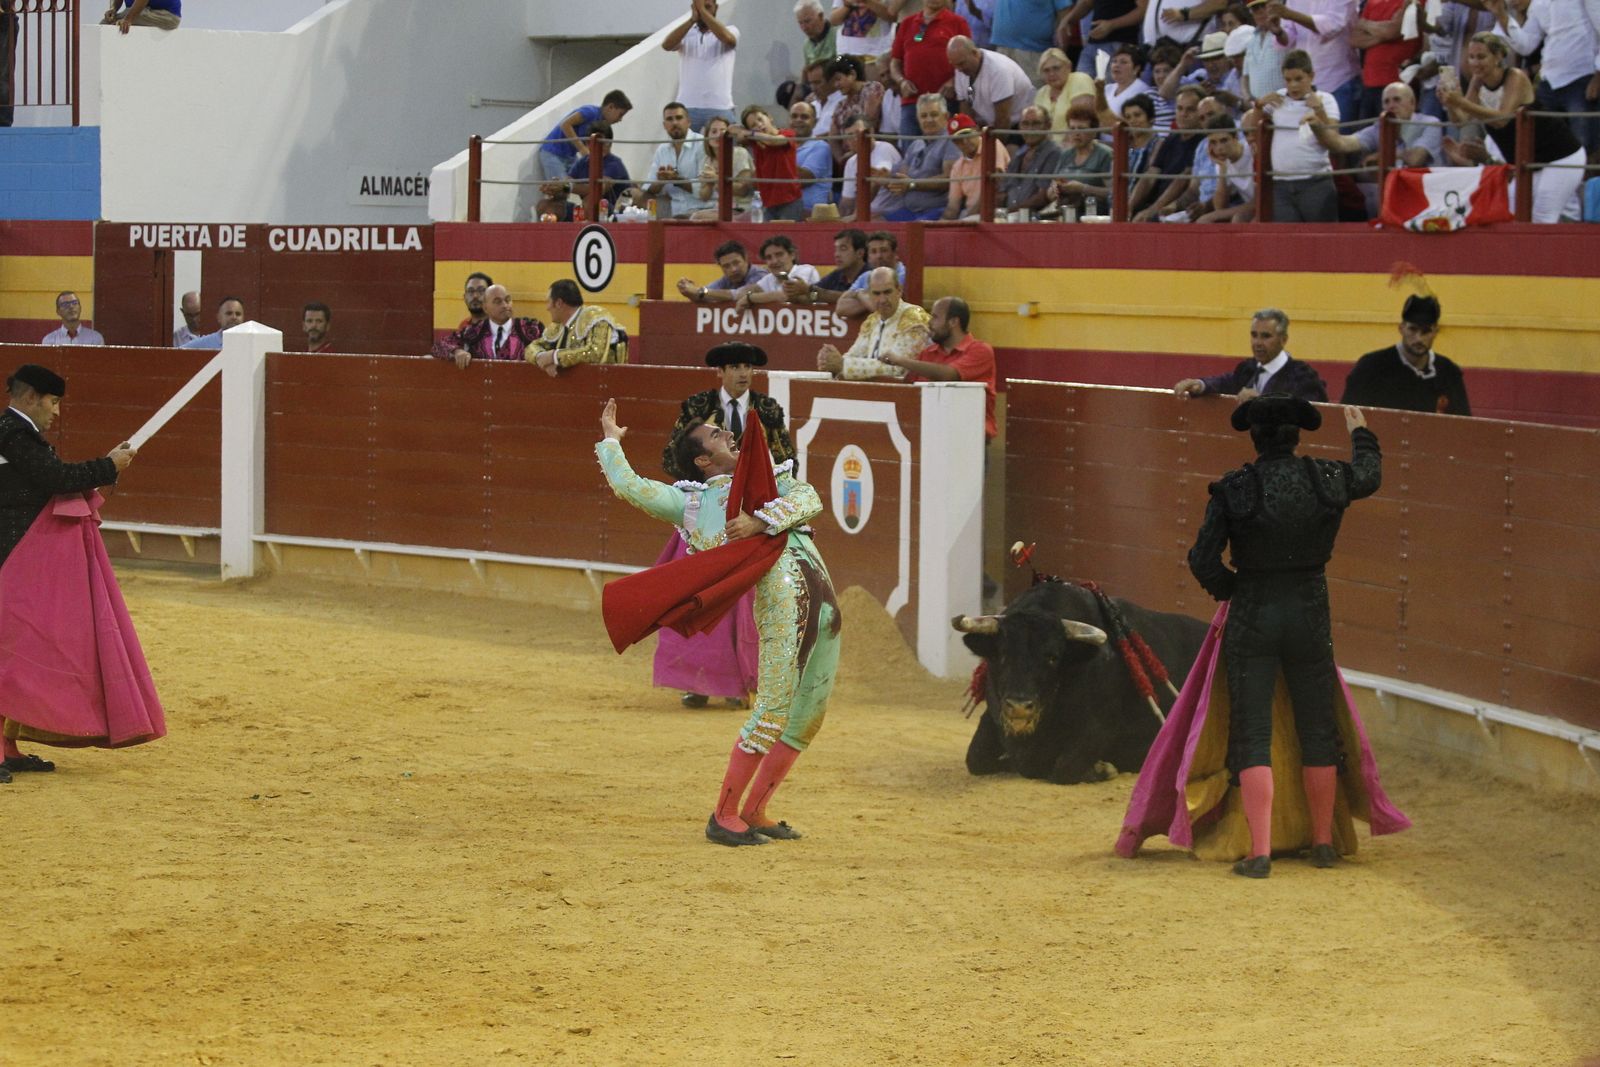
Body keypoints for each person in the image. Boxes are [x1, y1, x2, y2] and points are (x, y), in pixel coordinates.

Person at [596, 398, 840, 846]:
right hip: (783, 604)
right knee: (770, 712)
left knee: (808, 716)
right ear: (703, 460)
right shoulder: (695, 503)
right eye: (713, 434)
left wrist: (760, 521)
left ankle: (756, 809)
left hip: (826, 607)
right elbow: (630, 487)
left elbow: (810, 498)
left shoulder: (771, 478)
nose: (727, 432)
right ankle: (724, 815)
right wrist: (611, 441)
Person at [1187, 396, 1384, 876]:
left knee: (1252, 731)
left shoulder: (1236, 488)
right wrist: (1361, 433)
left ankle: (1258, 852)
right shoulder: (1326, 478)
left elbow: (1202, 559)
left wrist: (1233, 590)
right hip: (1309, 610)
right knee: (1317, 726)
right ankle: (1321, 844)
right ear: (1298, 436)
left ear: (1253, 438)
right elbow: (1369, 476)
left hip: (1254, 611)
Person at [0, 363, 146, 784]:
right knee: (11, 652)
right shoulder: (11, 431)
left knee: (25, 650)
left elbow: (51, 482)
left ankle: (8, 744)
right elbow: (54, 478)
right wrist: (109, 465)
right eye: (53, 402)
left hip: (25, 554)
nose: (56, 412)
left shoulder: (18, 434)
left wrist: (107, 467)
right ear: (31, 398)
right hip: (13, 555)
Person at [660, 342, 799, 708]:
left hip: (751, 520)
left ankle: (742, 681)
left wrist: (763, 507)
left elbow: (787, 461)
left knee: (748, 602)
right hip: (708, 517)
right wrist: (708, 490)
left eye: (749, 367)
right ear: (719, 372)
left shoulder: (767, 409)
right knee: (703, 601)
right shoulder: (697, 407)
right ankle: (698, 682)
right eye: (736, 366)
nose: (743, 373)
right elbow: (674, 458)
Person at [1439, 32, 1587, 224]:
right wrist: (1450, 102)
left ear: (1498, 57)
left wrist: (1460, 102)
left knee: (1543, 217)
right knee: (1512, 214)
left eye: (1481, 57)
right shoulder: (1478, 82)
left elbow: (1503, 118)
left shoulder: (1515, 77)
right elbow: (1461, 120)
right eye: (1471, 57)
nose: (1475, 63)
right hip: (1527, 160)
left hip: (1561, 155)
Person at [881, 295, 998, 439]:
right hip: (931, 435)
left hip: (970, 439)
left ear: (953, 322)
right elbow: (909, 392)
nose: (930, 323)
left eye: (935, 317)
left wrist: (901, 360)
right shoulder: (927, 353)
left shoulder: (980, 350)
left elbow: (948, 375)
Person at [1245, 49, 1339, 222]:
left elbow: (1334, 137)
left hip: (1316, 181)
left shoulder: (1325, 99)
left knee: (1322, 242)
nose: (1293, 85)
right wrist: (1258, 106)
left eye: (1298, 79)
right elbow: (1252, 131)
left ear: (1311, 76)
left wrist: (1319, 110)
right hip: (1280, 184)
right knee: (1286, 243)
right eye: (1288, 80)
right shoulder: (1278, 98)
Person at [1341, 295, 1471, 415]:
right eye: (1413, 329)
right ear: (1401, 328)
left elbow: (1464, 427)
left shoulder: (1449, 372)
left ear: (1435, 332)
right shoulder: (1371, 367)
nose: (1419, 338)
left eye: (1426, 331)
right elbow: (1346, 418)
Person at [1173, 308, 1328, 402]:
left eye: (1266, 336)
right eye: (1254, 335)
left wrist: (1263, 400)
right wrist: (1201, 384)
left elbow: (1308, 411)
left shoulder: (1302, 376)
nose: (1258, 342)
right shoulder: (1248, 369)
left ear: (1283, 340)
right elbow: (1226, 382)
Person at [817, 266, 931, 379]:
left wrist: (843, 365)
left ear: (899, 291)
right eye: (876, 294)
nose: (882, 300)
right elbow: (855, 355)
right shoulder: (872, 321)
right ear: (869, 294)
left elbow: (898, 369)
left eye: (887, 292)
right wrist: (833, 362)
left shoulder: (913, 319)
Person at [1306, 80, 1441, 167]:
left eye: (1396, 100)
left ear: (1412, 103)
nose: (1391, 106)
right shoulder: (1379, 128)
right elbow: (1341, 144)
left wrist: (1381, 156)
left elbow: (1415, 159)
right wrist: (1317, 126)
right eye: (1386, 102)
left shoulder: (1430, 124)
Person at [890, 0, 972, 135]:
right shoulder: (907, 23)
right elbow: (895, 62)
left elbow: (968, 59)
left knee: (947, 150)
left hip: (945, 100)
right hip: (912, 100)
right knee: (911, 150)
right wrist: (901, 81)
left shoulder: (958, 22)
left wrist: (953, 81)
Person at [876, 94, 962, 220]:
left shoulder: (951, 141)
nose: (928, 120)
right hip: (909, 211)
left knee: (913, 231)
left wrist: (912, 184)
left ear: (946, 117)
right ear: (918, 119)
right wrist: (886, 178)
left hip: (937, 210)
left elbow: (948, 178)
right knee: (876, 222)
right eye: (923, 116)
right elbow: (903, 176)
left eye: (934, 114)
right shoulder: (916, 144)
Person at [662, 0, 740, 132]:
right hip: (688, 107)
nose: (703, 11)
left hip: (720, 106)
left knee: (724, 150)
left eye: (708, 7)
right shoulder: (686, 33)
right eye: (699, 8)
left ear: (716, 8)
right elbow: (667, 45)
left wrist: (702, 12)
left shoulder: (731, 30)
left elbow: (729, 40)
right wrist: (692, 20)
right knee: (688, 149)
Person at [431, 285, 544, 368]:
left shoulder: (531, 329)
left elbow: (553, 347)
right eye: (497, 301)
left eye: (507, 300)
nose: (505, 305)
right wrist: (457, 352)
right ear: (485, 308)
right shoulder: (473, 331)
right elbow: (438, 346)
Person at [529, 280, 626, 376]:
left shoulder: (596, 319)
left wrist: (554, 357)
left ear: (559, 303)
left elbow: (595, 354)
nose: (547, 307)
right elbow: (531, 347)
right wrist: (541, 357)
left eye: (548, 302)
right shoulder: (558, 326)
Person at [536, 89, 633, 184]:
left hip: (570, 156)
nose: (620, 119)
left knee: (582, 182)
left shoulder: (600, 122)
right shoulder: (590, 112)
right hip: (553, 152)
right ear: (611, 107)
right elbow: (565, 124)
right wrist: (582, 148)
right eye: (620, 115)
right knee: (560, 189)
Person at [732, 106, 807, 221]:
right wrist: (745, 133)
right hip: (767, 202)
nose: (759, 125)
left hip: (790, 200)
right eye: (753, 125)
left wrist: (750, 132)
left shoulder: (787, 133)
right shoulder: (756, 141)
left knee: (789, 237)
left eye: (760, 119)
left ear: (769, 117)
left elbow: (773, 141)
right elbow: (731, 128)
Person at [948, 35, 1036, 131]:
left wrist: (990, 145)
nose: (959, 69)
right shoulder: (961, 68)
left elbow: (1003, 120)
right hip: (988, 123)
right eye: (954, 65)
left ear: (975, 53)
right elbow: (966, 106)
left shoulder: (998, 70)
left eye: (961, 64)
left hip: (1019, 124)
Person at [647, 102, 715, 220]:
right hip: (674, 211)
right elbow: (648, 188)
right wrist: (661, 181)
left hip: (702, 210)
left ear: (688, 121)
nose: (674, 123)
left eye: (679, 118)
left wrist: (676, 180)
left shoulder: (701, 143)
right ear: (664, 125)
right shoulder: (662, 150)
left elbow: (703, 190)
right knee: (634, 194)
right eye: (670, 119)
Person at [942, 112, 1011, 219]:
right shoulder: (958, 166)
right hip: (971, 215)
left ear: (977, 130)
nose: (965, 142)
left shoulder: (993, 146)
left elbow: (994, 188)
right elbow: (952, 207)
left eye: (967, 134)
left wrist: (967, 219)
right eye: (958, 140)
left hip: (995, 211)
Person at [999, 105, 1065, 213]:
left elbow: (1043, 197)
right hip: (1010, 218)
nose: (1030, 129)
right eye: (1025, 124)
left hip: (1037, 220)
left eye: (1036, 124)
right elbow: (1003, 193)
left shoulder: (1054, 153)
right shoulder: (1018, 157)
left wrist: (1010, 212)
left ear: (1048, 125)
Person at [990, 0, 1075, 83]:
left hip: (1033, 53)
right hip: (1002, 49)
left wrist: (1059, 55)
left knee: (1035, 95)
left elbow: (1065, 18)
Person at [838, 114, 903, 218]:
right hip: (867, 214)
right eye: (849, 136)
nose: (854, 139)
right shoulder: (851, 162)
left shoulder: (885, 148)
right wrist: (837, 220)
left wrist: (856, 215)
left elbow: (875, 181)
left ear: (870, 132)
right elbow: (847, 201)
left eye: (858, 134)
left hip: (890, 213)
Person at [691, 115, 755, 218]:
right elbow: (704, 197)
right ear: (707, 137)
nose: (718, 135)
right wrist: (709, 185)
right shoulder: (706, 159)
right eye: (714, 131)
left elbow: (743, 190)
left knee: (697, 218)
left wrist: (717, 179)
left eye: (723, 131)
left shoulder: (740, 153)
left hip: (741, 208)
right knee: (692, 217)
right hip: (717, 208)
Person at [677, 240, 769, 305]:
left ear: (746, 259)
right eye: (726, 266)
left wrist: (699, 291)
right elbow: (706, 295)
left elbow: (738, 295)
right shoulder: (726, 280)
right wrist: (689, 292)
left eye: (736, 263)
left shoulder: (760, 275)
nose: (733, 269)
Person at [566, 124, 638, 206]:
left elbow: (598, 189)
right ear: (587, 144)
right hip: (592, 208)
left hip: (615, 211)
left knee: (590, 200)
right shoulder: (583, 161)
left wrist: (568, 187)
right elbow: (567, 181)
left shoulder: (614, 164)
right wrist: (556, 187)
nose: (599, 147)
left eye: (604, 143)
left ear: (610, 143)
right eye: (594, 143)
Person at [740, 236, 823, 307]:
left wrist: (750, 298)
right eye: (769, 258)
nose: (774, 261)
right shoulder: (769, 278)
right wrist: (748, 294)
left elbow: (786, 295)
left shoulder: (806, 270)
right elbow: (744, 292)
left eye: (779, 255)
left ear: (792, 255)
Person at [789, 100, 837, 215]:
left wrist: (775, 159)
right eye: (794, 116)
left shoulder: (821, 146)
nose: (798, 120)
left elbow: (804, 179)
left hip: (811, 213)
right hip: (785, 209)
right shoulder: (784, 146)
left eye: (804, 117)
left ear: (815, 122)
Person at [832, 0, 906, 57]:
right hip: (846, 51)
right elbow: (834, 21)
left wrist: (867, 1)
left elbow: (893, 16)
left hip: (878, 52)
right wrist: (847, 6)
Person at [40, 292, 105, 346]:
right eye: (65, 304)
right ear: (58, 311)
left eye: (75, 303)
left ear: (80, 308)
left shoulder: (95, 338)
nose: (71, 307)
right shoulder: (49, 340)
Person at [180, 296, 245, 350]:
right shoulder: (203, 343)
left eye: (238, 314)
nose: (234, 317)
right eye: (229, 313)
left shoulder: (252, 343)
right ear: (219, 317)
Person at [796, 0, 839, 69]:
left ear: (821, 16)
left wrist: (832, 64)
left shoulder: (838, 35)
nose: (804, 28)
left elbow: (843, 58)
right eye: (800, 23)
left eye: (807, 21)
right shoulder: (806, 45)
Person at [101, 0, 180, 33]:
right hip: (141, 12)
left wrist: (128, 19)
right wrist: (113, 9)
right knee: (106, 22)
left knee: (117, 23)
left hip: (167, 16)